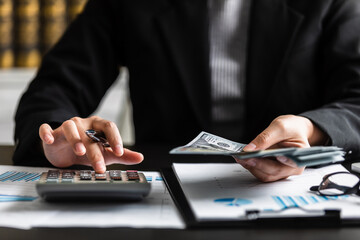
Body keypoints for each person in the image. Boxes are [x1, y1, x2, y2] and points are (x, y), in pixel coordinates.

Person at [13, 0, 360, 182]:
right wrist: (59, 138)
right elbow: (53, 88)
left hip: (299, 189)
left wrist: (311, 130)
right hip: (165, 188)